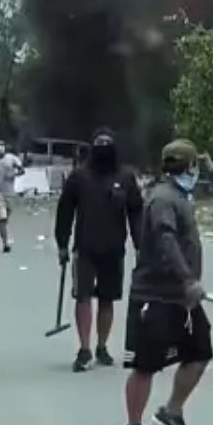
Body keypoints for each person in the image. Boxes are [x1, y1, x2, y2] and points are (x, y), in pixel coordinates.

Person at [119, 139, 212, 425]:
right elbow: (165, 240)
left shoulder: (179, 197)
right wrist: (187, 279)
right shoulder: (162, 199)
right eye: (195, 164)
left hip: (182, 298)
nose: (197, 171)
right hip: (155, 295)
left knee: (200, 352)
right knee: (145, 365)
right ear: (188, 166)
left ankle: (172, 413)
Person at [55, 127, 143, 373]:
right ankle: (84, 349)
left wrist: (140, 244)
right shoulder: (79, 176)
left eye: (108, 145)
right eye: (99, 145)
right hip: (84, 248)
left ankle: (102, 346)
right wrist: (62, 243)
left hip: (114, 248)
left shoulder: (126, 177)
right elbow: (65, 212)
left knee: (107, 298)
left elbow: (136, 212)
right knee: (82, 296)